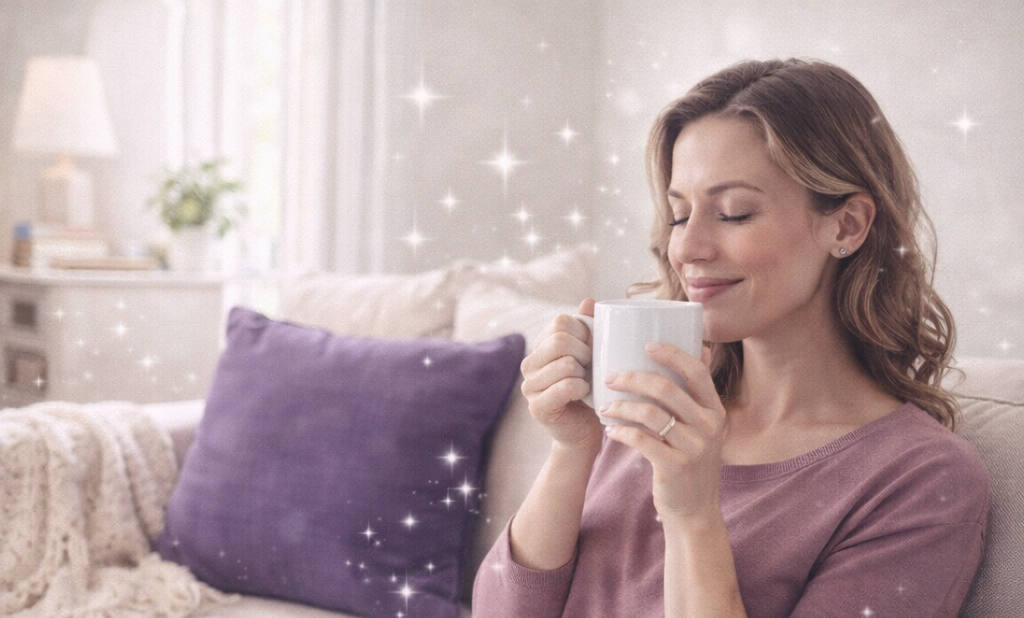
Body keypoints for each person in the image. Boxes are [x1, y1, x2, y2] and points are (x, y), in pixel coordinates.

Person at [472, 58, 989, 617]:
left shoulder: (919, 480)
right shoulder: (648, 407)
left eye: (734, 213)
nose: (688, 247)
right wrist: (573, 449)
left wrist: (693, 514)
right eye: (678, 215)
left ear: (847, 226)